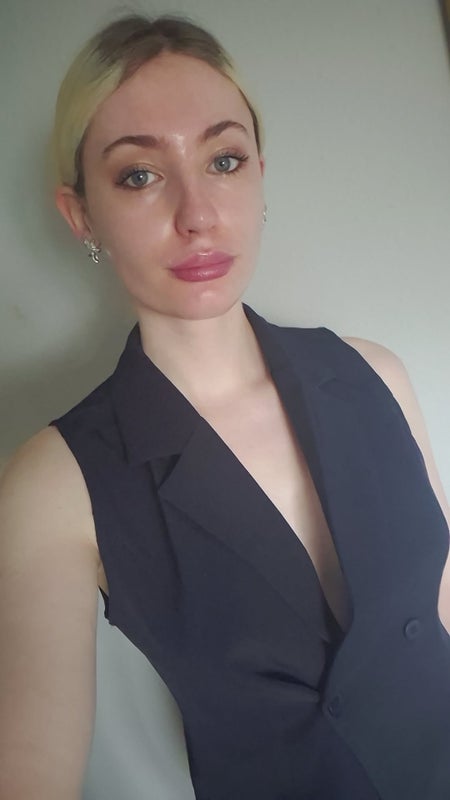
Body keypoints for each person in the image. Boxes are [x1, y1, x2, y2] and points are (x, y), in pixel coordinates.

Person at [0, 12, 449, 800]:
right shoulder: (56, 483)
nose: (198, 213)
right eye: (139, 175)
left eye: (224, 160)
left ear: (259, 177)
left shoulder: (374, 373)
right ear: (81, 215)